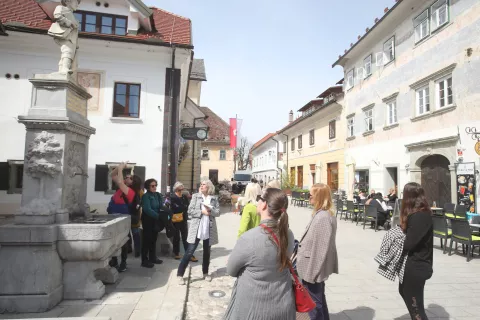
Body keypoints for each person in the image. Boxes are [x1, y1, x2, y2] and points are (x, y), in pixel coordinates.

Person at [224, 188, 295, 320]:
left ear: (264, 205)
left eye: (260, 199)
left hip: (254, 308)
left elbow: (231, 270)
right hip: (284, 305)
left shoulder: (249, 238)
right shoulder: (288, 234)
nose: (258, 201)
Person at [297, 183, 338, 320]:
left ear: (319, 197)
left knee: (314, 304)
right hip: (311, 267)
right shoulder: (322, 214)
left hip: (312, 268)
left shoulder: (323, 218)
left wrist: (312, 274)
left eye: (310, 195)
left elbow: (321, 249)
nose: (308, 197)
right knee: (319, 300)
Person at [399, 182, 433, 320]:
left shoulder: (419, 216)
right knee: (406, 292)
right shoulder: (420, 214)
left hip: (417, 265)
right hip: (415, 264)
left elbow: (410, 243)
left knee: (416, 307)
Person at [177, 179, 220, 285]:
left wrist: (210, 211)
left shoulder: (213, 199)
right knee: (190, 251)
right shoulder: (196, 196)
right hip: (197, 228)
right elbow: (190, 211)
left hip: (208, 229)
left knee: (207, 252)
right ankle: (180, 274)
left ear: (209, 187)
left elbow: (218, 212)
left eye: (204, 184)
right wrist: (202, 212)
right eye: (200, 184)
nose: (201, 186)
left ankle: (205, 273)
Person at [107, 162, 142, 272]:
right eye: (127, 176)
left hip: (122, 219)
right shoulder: (122, 188)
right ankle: (114, 261)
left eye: (130, 178)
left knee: (123, 242)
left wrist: (121, 169)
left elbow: (120, 182)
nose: (127, 177)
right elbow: (112, 175)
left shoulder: (130, 192)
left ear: (133, 182)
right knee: (113, 240)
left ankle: (123, 262)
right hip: (113, 217)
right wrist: (118, 167)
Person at [141, 178, 167, 268]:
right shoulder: (146, 196)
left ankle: (153, 257)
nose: (155, 187)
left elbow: (161, 205)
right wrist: (158, 216)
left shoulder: (157, 195)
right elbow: (147, 209)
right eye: (152, 186)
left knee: (154, 239)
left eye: (155, 185)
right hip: (148, 219)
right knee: (147, 239)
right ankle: (144, 260)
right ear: (148, 187)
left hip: (156, 219)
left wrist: (163, 214)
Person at [47, 0, 79, 74]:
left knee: (69, 52)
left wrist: (76, 44)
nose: (77, 5)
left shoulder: (72, 15)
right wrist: (69, 23)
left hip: (71, 38)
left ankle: (62, 68)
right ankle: (64, 68)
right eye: (76, 2)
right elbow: (57, 15)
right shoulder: (61, 8)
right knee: (67, 50)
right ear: (68, 1)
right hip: (64, 34)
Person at [170, 181, 197, 262]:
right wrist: (181, 207)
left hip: (183, 219)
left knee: (186, 237)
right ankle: (176, 253)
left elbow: (187, 206)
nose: (181, 190)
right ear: (176, 189)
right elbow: (174, 208)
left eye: (182, 188)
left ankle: (189, 254)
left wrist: (182, 208)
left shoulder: (184, 197)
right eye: (179, 189)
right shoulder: (172, 197)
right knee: (176, 237)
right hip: (175, 219)